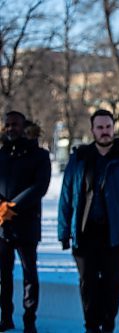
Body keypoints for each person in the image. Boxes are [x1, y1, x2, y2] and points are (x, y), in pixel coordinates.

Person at [58, 109, 119, 333]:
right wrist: (63, 231)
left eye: (108, 127)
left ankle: (108, 325)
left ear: (113, 128)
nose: (104, 131)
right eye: (100, 127)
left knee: (112, 284)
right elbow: (66, 196)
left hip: (115, 234)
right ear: (92, 130)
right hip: (84, 232)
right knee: (87, 284)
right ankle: (91, 326)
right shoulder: (79, 157)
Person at [0, 111, 51, 333]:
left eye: (15, 124)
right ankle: (5, 317)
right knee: (3, 274)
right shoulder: (1, 154)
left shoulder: (38, 155)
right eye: (8, 125)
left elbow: (40, 186)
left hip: (27, 224)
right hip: (2, 224)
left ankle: (29, 320)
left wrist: (12, 206)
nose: (11, 128)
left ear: (24, 126)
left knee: (30, 273)